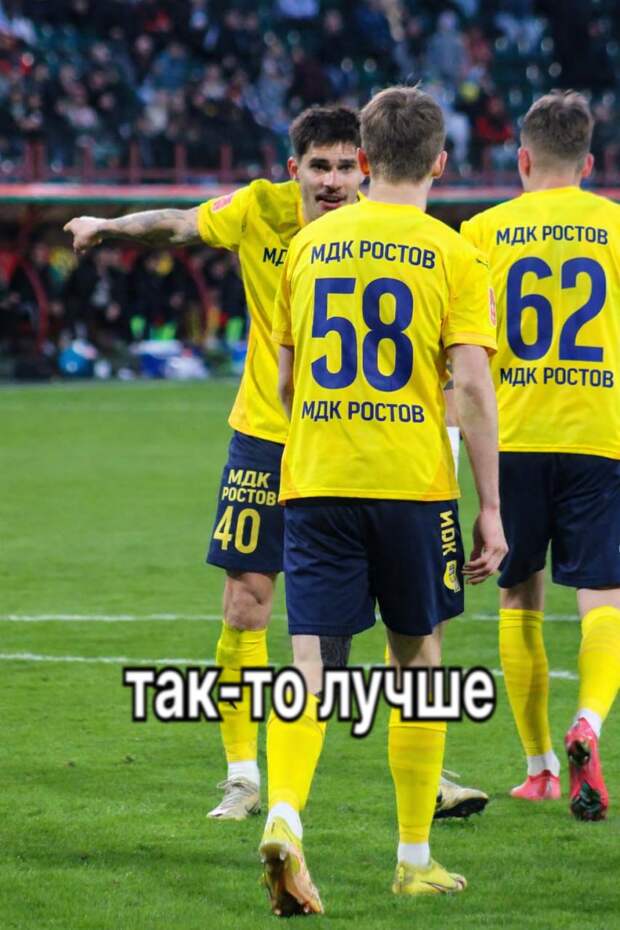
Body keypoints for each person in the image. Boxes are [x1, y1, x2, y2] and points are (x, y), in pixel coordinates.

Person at [63, 104, 488, 824]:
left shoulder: (385, 232)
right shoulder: (259, 210)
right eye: (319, 167)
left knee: (407, 623)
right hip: (268, 434)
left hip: (358, 443)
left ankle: (426, 775)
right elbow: (180, 223)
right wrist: (110, 225)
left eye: (346, 166)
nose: (333, 180)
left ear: (366, 168)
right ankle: (242, 776)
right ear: (295, 170)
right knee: (246, 602)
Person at [260, 85, 505, 915]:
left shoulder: (309, 246)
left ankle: (285, 817)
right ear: (441, 162)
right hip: (410, 487)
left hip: (317, 479)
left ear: (362, 161)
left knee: (311, 668)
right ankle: (412, 858)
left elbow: (287, 382)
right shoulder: (455, 255)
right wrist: (490, 508)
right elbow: (472, 389)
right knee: (418, 665)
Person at [461, 90, 620, 821]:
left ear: (522, 159)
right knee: (603, 599)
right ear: (589, 165)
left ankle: (539, 768)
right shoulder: (614, 227)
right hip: (598, 435)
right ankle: (589, 720)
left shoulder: (482, 232)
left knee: (519, 596)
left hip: (513, 437)